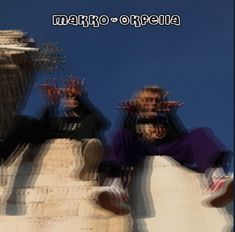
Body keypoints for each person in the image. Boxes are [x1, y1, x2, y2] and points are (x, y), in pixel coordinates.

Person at [97, 85, 233, 214]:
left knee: (200, 133)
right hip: (142, 148)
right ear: (140, 102)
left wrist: (170, 115)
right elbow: (126, 138)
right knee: (120, 135)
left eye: (157, 100)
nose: (153, 103)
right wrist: (129, 115)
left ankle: (216, 180)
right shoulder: (135, 119)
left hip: (168, 148)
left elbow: (179, 136)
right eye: (148, 100)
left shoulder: (165, 118)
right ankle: (117, 190)